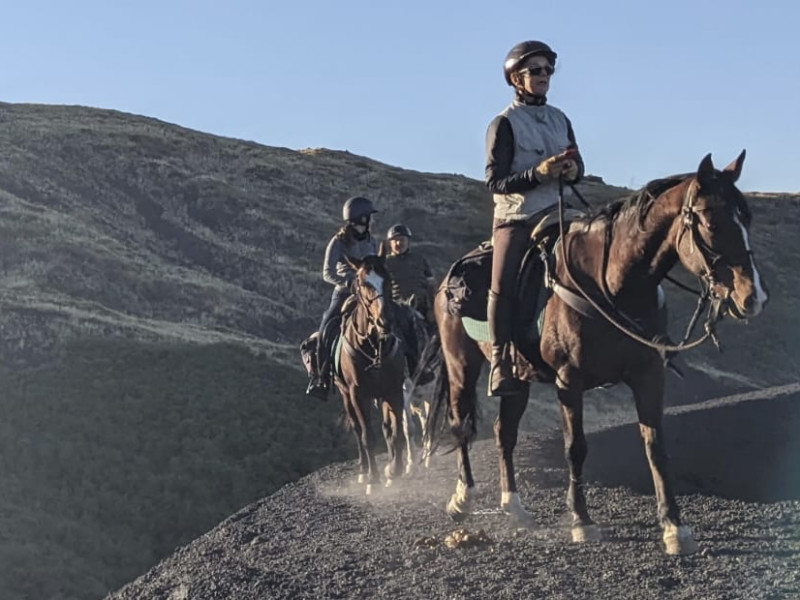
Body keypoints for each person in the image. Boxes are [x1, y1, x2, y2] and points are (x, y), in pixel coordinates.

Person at [485, 40, 585, 396]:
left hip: (563, 212)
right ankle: (499, 360)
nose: (544, 76)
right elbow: (495, 182)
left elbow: (580, 167)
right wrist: (538, 173)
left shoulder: (561, 119)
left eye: (547, 70)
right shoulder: (503, 124)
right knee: (504, 279)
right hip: (518, 218)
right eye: (536, 71)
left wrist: (572, 169)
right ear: (516, 79)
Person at [305, 196, 378, 400]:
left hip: (370, 292)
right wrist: (348, 282)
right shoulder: (338, 241)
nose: (372, 221)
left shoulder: (372, 240)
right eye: (369, 217)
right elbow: (327, 272)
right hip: (345, 292)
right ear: (361, 218)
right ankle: (321, 378)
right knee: (327, 327)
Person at [383, 223, 436, 384]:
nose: (399, 243)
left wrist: (433, 308)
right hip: (397, 309)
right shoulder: (385, 263)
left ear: (408, 241)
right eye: (395, 240)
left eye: (402, 240)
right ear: (390, 243)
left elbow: (431, 284)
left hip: (421, 306)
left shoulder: (420, 260)